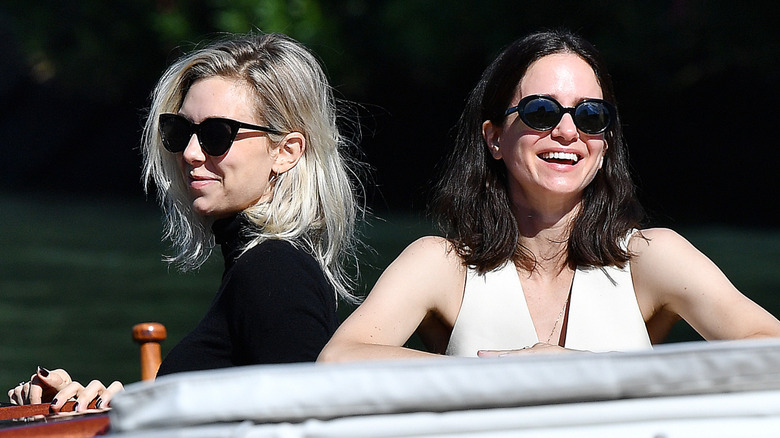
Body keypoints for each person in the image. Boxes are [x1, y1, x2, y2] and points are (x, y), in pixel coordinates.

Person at [318, 29, 780, 363]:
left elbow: (769, 344)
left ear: (607, 142)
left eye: (590, 115)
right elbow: (341, 358)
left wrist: (602, 374)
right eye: (541, 112)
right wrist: (494, 375)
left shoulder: (651, 257)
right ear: (494, 137)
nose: (566, 131)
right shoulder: (443, 263)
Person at [9, 32, 362, 410]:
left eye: (216, 135)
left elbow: (301, 426)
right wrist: (109, 408)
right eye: (180, 132)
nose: (191, 154)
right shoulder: (261, 267)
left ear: (286, 151)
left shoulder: (276, 270)